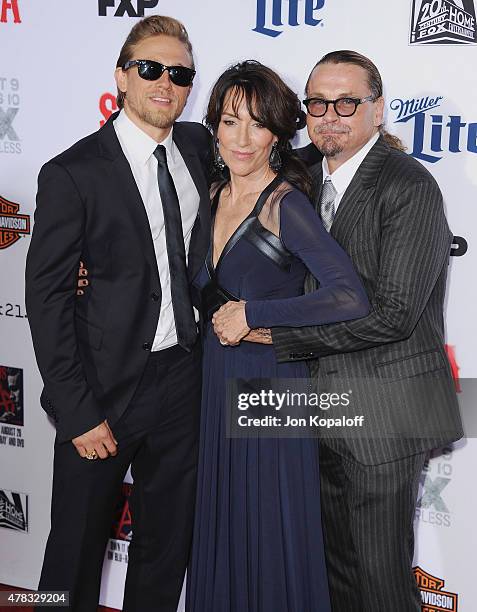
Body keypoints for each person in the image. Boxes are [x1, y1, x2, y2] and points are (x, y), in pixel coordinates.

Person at [218, 51, 463, 611]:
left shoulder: (409, 186)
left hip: (383, 416)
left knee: (378, 585)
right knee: (331, 580)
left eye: (347, 103)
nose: (331, 115)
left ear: (378, 110)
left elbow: (394, 315)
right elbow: (226, 168)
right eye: (318, 104)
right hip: (313, 412)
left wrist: (275, 333)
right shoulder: (296, 174)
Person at [25, 16, 211, 612]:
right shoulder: (72, 173)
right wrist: (78, 412)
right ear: (121, 78)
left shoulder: (198, 147)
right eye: (150, 69)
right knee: (72, 549)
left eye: (179, 73)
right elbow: (47, 300)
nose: (166, 83)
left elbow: (264, 155)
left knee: (165, 546)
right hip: (102, 391)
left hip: (183, 380)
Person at [186, 60, 370, 612]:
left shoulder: (284, 203)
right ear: (214, 128)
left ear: (276, 133)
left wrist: (256, 312)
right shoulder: (212, 193)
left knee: (270, 525)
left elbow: (348, 295)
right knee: (225, 520)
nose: (243, 138)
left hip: (270, 384)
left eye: (258, 123)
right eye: (230, 121)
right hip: (214, 383)